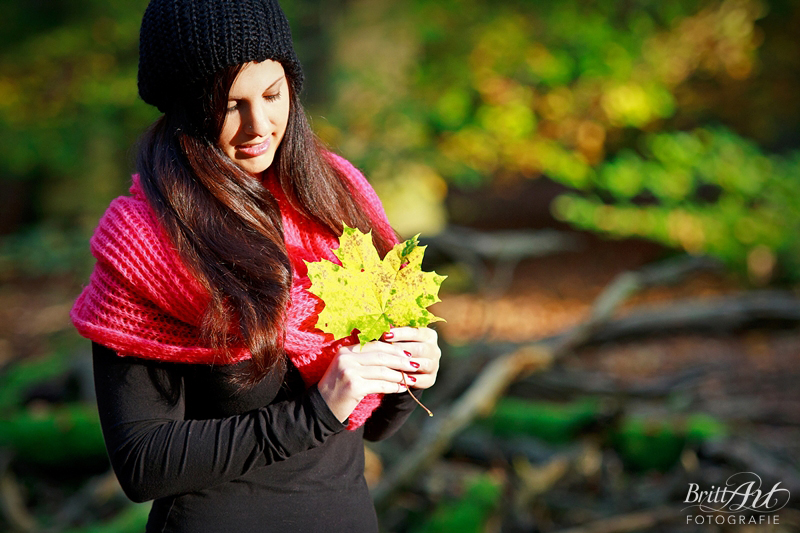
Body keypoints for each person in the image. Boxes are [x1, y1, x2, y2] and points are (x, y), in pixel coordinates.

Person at [69, 0, 441, 531]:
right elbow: (142, 463)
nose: (258, 125)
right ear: (186, 107)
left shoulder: (338, 199)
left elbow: (373, 425)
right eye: (230, 104)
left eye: (272, 94)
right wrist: (314, 414)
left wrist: (408, 374)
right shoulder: (144, 245)